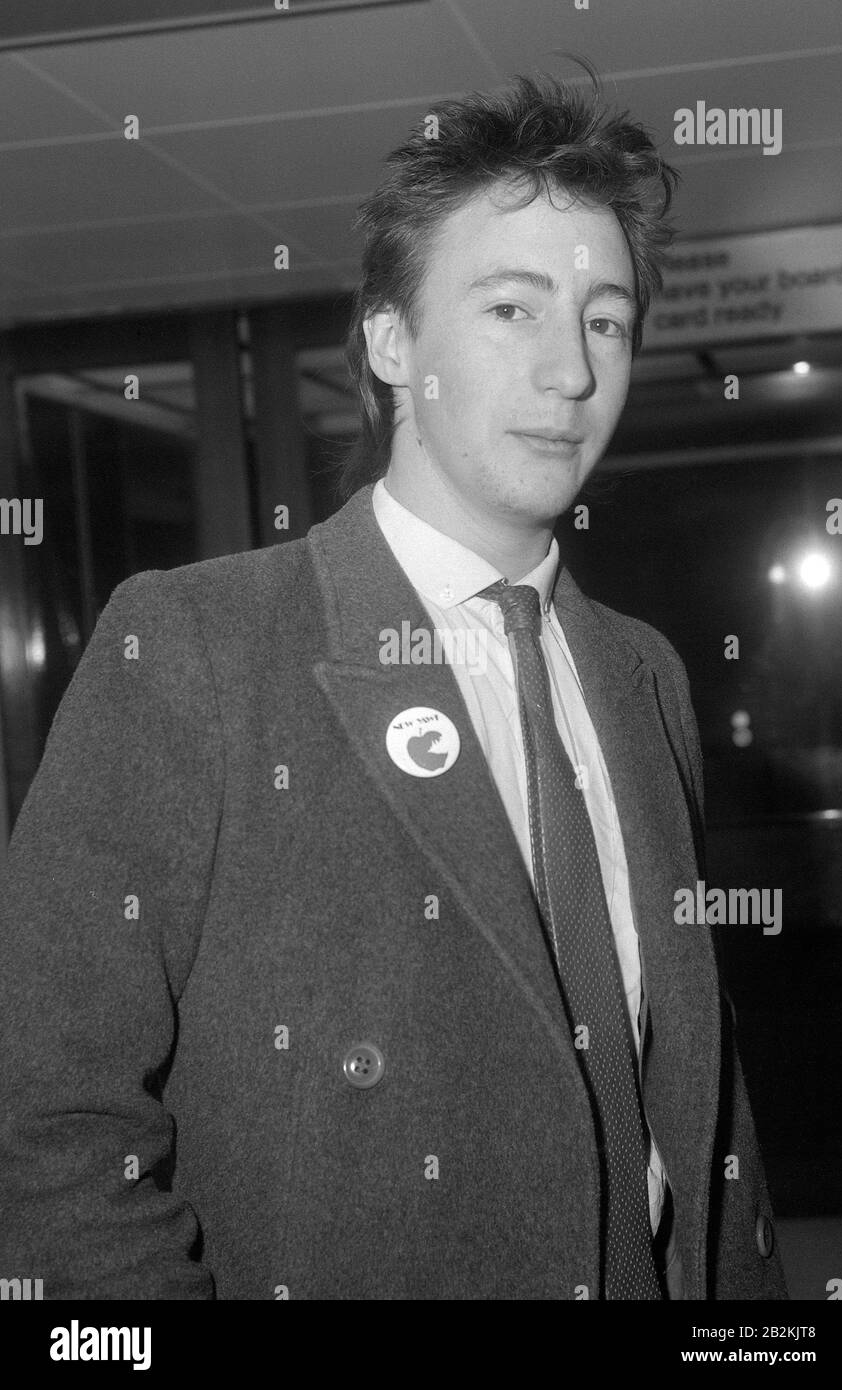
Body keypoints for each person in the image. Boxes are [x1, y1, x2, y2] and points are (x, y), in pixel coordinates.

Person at [0, 64, 787, 1300]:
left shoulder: (641, 673)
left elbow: (695, 1099)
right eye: (511, 310)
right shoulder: (197, 648)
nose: (572, 374)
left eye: (605, 321)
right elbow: (42, 1119)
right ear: (387, 339)